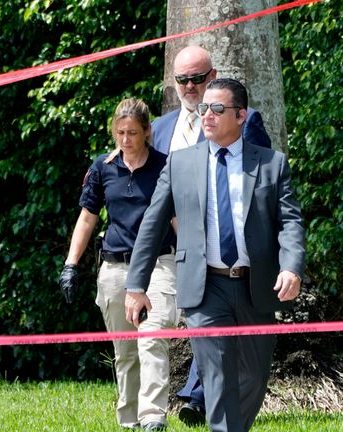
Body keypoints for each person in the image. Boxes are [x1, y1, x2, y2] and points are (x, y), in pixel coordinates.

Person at [124, 78, 305, 432]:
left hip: (257, 285)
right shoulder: (180, 163)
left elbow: (290, 222)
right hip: (205, 287)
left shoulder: (271, 163)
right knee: (217, 373)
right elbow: (152, 224)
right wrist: (136, 285)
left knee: (254, 375)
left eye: (217, 109)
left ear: (241, 116)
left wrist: (292, 267)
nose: (206, 115)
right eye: (204, 107)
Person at [151, 44, 272, 427]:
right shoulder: (160, 128)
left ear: (212, 74)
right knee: (191, 342)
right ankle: (193, 398)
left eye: (198, 78)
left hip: (229, 259)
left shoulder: (246, 121)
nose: (190, 86)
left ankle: (200, 398)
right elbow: (158, 197)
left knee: (245, 370)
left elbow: (261, 187)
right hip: (173, 252)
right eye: (182, 80)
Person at [58, 98, 177, 431]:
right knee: (125, 352)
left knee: (152, 335)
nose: (126, 140)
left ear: (147, 132)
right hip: (114, 266)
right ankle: (129, 421)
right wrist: (71, 264)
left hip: (159, 263)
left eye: (133, 133)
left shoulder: (165, 166)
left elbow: (178, 219)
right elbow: (87, 219)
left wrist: (197, 261)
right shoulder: (102, 167)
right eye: (120, 132)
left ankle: (153, 416)